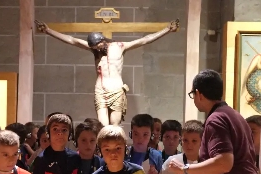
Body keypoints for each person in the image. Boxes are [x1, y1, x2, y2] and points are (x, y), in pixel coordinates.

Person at [35, 19, 179, 126]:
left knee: (114, 126)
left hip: (116, 89)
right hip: (100, 91)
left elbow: (145, 40)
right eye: (95, 48)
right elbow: (72, 40)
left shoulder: (120, 46)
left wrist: (167, 29)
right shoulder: (94, 50)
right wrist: (48, 30)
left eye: (99, 46)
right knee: (103, 126)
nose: (98, 50)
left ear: (103, 40)